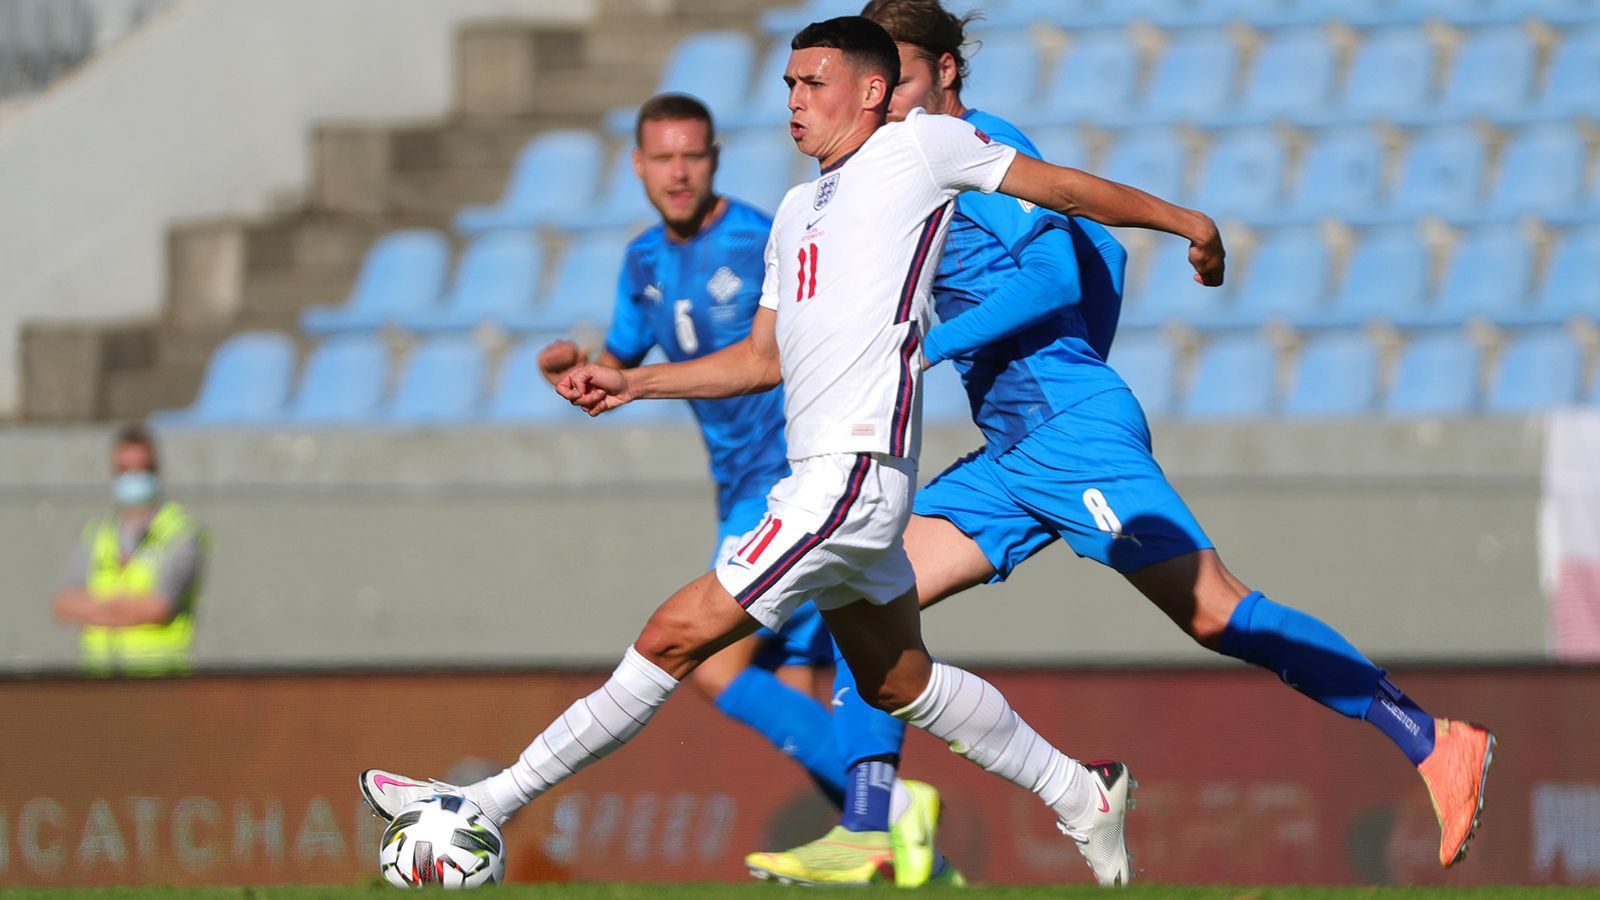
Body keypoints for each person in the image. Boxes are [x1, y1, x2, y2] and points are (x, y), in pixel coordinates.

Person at [361, 16, 1225, 888]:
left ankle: (485, 803)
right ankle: (1082, 794)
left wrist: (1184, 220)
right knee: (898, 683)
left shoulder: (922, 148)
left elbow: (1064, 192)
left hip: (850, 480)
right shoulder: (796, 209)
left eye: (814, 83)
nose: (794, 101)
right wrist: (632, 384)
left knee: (672, 640)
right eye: (788, 85)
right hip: (829, 483)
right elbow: (758, 361)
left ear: (873, 91)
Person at [756, 0, 1496, 880]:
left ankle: (1432, 739)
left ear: (946, 72)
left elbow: (1063, 265)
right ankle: (871, 825)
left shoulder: (973, 145)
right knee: (867, 595)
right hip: (1011, 455)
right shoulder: (901, 167)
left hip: (1070, 436)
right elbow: (1107, 260)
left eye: (904, 79)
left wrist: (934, 347)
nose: (886, 108)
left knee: (1213, 609)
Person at [532, 91, 958, 885]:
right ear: (638, 166)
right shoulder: (643, 263)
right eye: (663, 158)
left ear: (714, 159)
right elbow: (623, 359)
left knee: (716, 666)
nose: (679, 172)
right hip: (737, 488)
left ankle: (895, 811)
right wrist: (577, 369)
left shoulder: (762, 234)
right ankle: (907, 857)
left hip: (794, 480)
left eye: (692, 155)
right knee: (793, 688)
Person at [51, 423, 206, 676]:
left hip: (159, 680)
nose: (133, 478)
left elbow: (158, 606)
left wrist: (96, 610)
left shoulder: (179, 533)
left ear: (155, 470)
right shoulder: (99, 534)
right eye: (124, 470)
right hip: (101, 680)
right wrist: (123, 609)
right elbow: (63, 603)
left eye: (141, 469)